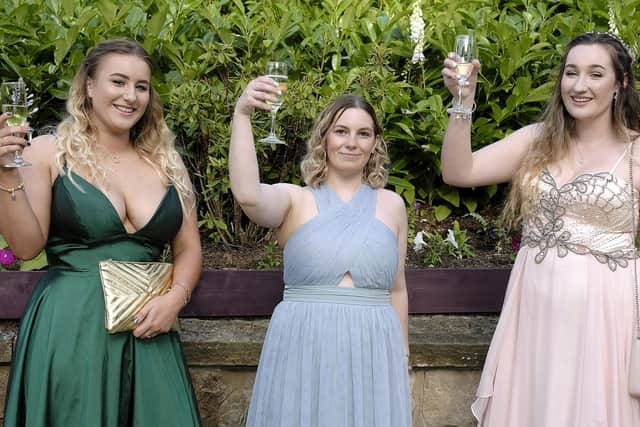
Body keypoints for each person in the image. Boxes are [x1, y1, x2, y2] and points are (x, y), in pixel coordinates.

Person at [441, 31, 640, 426]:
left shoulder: (636, 152)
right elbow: (458, 171)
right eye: (571, 73)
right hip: (533, 310)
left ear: (621, 84)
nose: (579, 86)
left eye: (595, 74)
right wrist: (462, 103)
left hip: (607, 319)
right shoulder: (536, 141)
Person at [0, 39, 202, 426]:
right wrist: (6, 172)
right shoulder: (48, 152)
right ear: (89, 86)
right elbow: (26, 247)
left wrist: (175, 300)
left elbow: (189, 249)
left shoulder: (167, 163)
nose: (131, 96)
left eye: (141, 87)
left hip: (150, 331)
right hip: (71, 328)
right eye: (119, 82)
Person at [230, 79, 411, 426]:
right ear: (324, 137)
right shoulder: (295, 199)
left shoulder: (392, 205)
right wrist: (242, 115)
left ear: (375, 144)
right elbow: (248, 196)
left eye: (363, 133)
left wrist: (401, 352)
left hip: (373, 350)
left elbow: (397, 288)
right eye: (341, 131)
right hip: (303, 346)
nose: (351, 142)